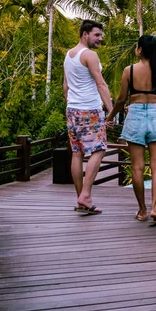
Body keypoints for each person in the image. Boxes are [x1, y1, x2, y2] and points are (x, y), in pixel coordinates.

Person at [106, 35, 156, 224]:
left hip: (135, 114)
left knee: (137, 167)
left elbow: (120, 100)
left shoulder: (129, 71)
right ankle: (155, 208)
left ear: (139, 50)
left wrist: (110, 117)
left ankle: (142, 211)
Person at [64, 20, 114, 214]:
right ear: (85, 34)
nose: (100, 39)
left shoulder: (68, 56)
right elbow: (101, 84)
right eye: (97, 35)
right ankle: (85, 195)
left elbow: (65, 86)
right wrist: (111, 112)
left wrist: (72, 105)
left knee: (77, 153)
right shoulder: (90, 55)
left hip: (72, 110)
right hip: (89, 110)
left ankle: (80, 199)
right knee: (99, 149)